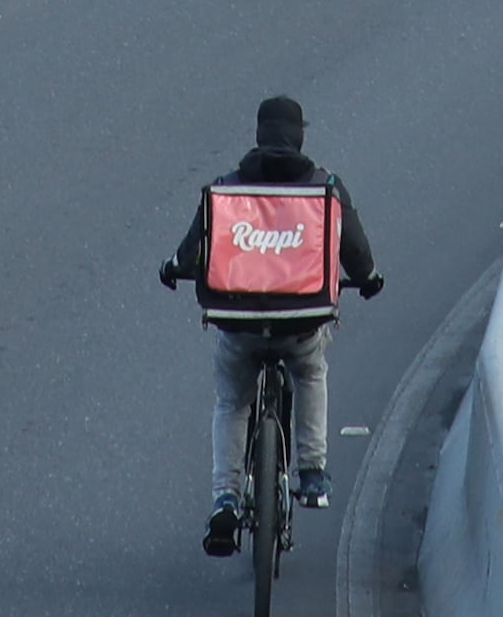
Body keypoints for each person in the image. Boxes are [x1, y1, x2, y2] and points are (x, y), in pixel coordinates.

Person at [158, 95, 381, 560]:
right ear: (300, 135)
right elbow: (356, 255)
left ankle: (225, 496)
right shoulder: (326, 186)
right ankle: (313, 470)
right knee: (311, 372)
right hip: (301, 321)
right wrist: (367, 279)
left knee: (232, 400)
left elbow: (191, 251)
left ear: (259, 135)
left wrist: (174, 268)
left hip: (238, 321)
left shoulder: (227, 187)